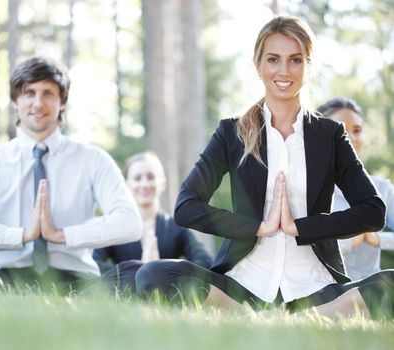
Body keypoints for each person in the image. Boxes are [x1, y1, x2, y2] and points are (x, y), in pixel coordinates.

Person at [135, 15, 394, 320]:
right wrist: (258, 228)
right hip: (242, 283)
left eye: (295, 60)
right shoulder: (231, 133)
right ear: (258, 65)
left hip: (315, 285)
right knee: (152, 275)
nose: (284, 70)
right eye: (273, 59)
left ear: (308, 67)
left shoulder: (331, 135)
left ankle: (305, 319)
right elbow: (186, 206)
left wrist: (302, 228)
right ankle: (250, 318)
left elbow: (373, 211)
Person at [0, 57, 141, 292]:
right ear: (15, 101)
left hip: (78, 281)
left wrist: (62, 235)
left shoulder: (93, 159)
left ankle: (76, 296)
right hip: (7, 279)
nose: (38, 103)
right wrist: (21, 235)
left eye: (48, 94)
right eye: (29, 93)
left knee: (139, 272)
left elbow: (130, 223)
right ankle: (3, 293)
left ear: (62, 102)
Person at [93, 152, 211, 293]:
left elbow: (204, 261)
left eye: (150, 177)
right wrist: (136, 270)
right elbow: (94, 263)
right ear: (125, 184)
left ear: (162, 183)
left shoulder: (177, 228)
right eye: (137, 178)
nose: (144, 184)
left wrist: (164, 269)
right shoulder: (114, 226)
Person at [317, 97, 394, 280]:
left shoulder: (382, 188)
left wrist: (378, 239)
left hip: (372, 288)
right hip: (322, 287)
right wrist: (350, 240)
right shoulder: (308, 189)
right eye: (339, 130)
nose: (350, 138)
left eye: (357, 130)